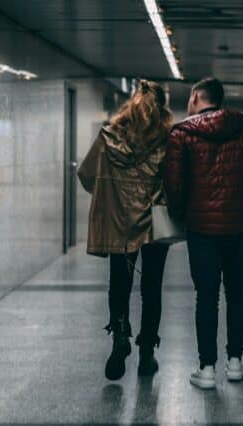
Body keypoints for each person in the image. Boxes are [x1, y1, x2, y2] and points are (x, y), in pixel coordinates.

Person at [163, 77, 243, 389]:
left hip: (202, 228)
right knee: (237, 291)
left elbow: (174, 184)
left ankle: (207, 368)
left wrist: (180, 214)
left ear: (196, 97)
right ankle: (235, 362)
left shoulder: (181, 134)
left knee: (207, 296)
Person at [78, 79, 173, 380]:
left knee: (119, 283)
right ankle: (146, 354)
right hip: (155, 226)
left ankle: (120, 336)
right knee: (152, 289)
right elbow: (177, 182)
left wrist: (111, 195)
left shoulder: (109, 137)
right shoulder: (168, 140)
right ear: (162, 108)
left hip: (120, 224)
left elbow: (86, 175)